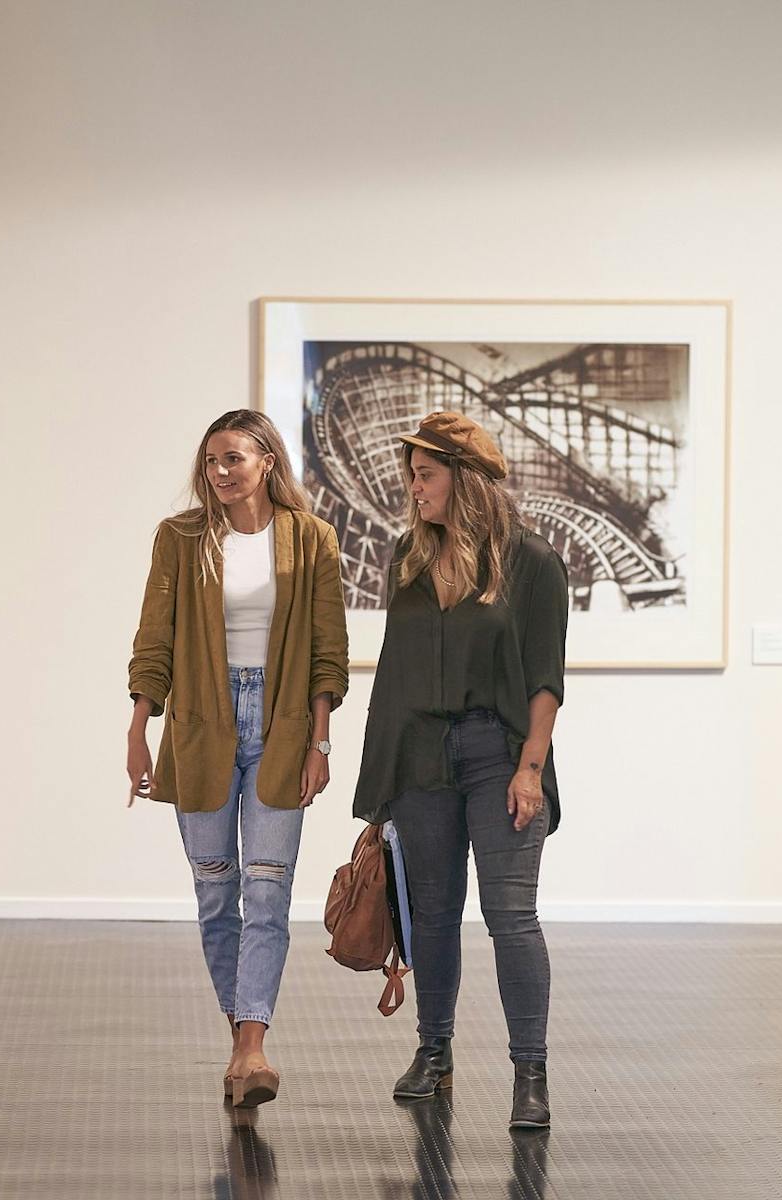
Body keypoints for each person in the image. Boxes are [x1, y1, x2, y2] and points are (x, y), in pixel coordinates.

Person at [127, 409, 349, 1108]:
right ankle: (240, 1041)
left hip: (282, 728)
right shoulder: (181, 538)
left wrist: (319, 741)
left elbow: (327, 650)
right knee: (218, 889)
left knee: (269, 888)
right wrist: (139, 727)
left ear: (267, 462)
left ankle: (254, 1046)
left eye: (235, 459)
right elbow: (154, 640)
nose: (222, 472)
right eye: (213, 460)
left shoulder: (310, 538)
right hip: (199, 724)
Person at [353, 410, 569, 1128]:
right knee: (434, 916)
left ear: (466, 480)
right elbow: (394, 674)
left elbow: (545, 680)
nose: (414, 489)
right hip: (418, 758)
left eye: (426, 475)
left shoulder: (534, 564)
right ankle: (434, 1055)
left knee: (511, 919)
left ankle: (529, 1074)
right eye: (411, 477)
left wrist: (530, 770)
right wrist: (379, 781)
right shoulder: (406, 561)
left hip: (499, 756)